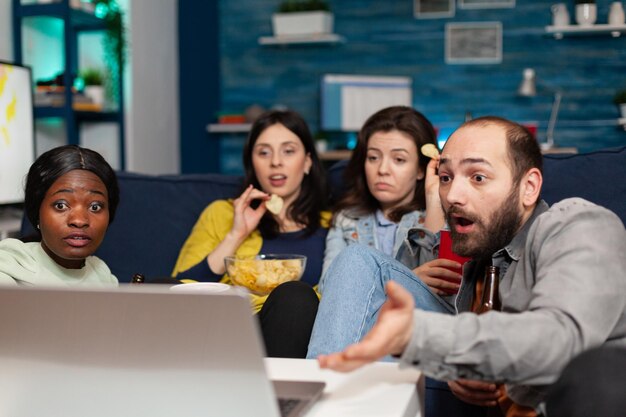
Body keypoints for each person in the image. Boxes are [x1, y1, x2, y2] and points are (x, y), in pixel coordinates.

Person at [315, 116, 626, 412]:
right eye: (447, 178)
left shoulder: (579, 225)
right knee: (355, 259)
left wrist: (422, 337)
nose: (453, 196)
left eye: (478, 177)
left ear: (528, 187)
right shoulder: (480, 261)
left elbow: (561, 338)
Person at [172, 109, 329, 358]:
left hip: (301, 330)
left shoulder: (333, 225)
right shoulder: (222, 213)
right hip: (232, 330)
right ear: (252, 164)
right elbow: (179, 288)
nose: (275, 161)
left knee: (296, 297)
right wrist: (236, 234)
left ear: (308, 161)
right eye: (264, 152)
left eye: (288, 151)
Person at [308, 106, 462, 359]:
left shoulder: (452, 212)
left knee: (357, 260)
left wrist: (434, 202)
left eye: (399, 160)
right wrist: (408, 278)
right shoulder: (347, 219)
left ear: (422, 169)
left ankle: (325, 383)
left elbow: (442, 288)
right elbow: (330, 291)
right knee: (354, 259)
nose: (382, 170)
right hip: (364, 331)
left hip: (423, 323)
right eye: (373, 157)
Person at [0, 145, 120, 286]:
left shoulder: (102, 274)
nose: (79, 220)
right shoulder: (11, 267)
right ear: (37, 211)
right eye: (61, 206)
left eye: (95, 207)